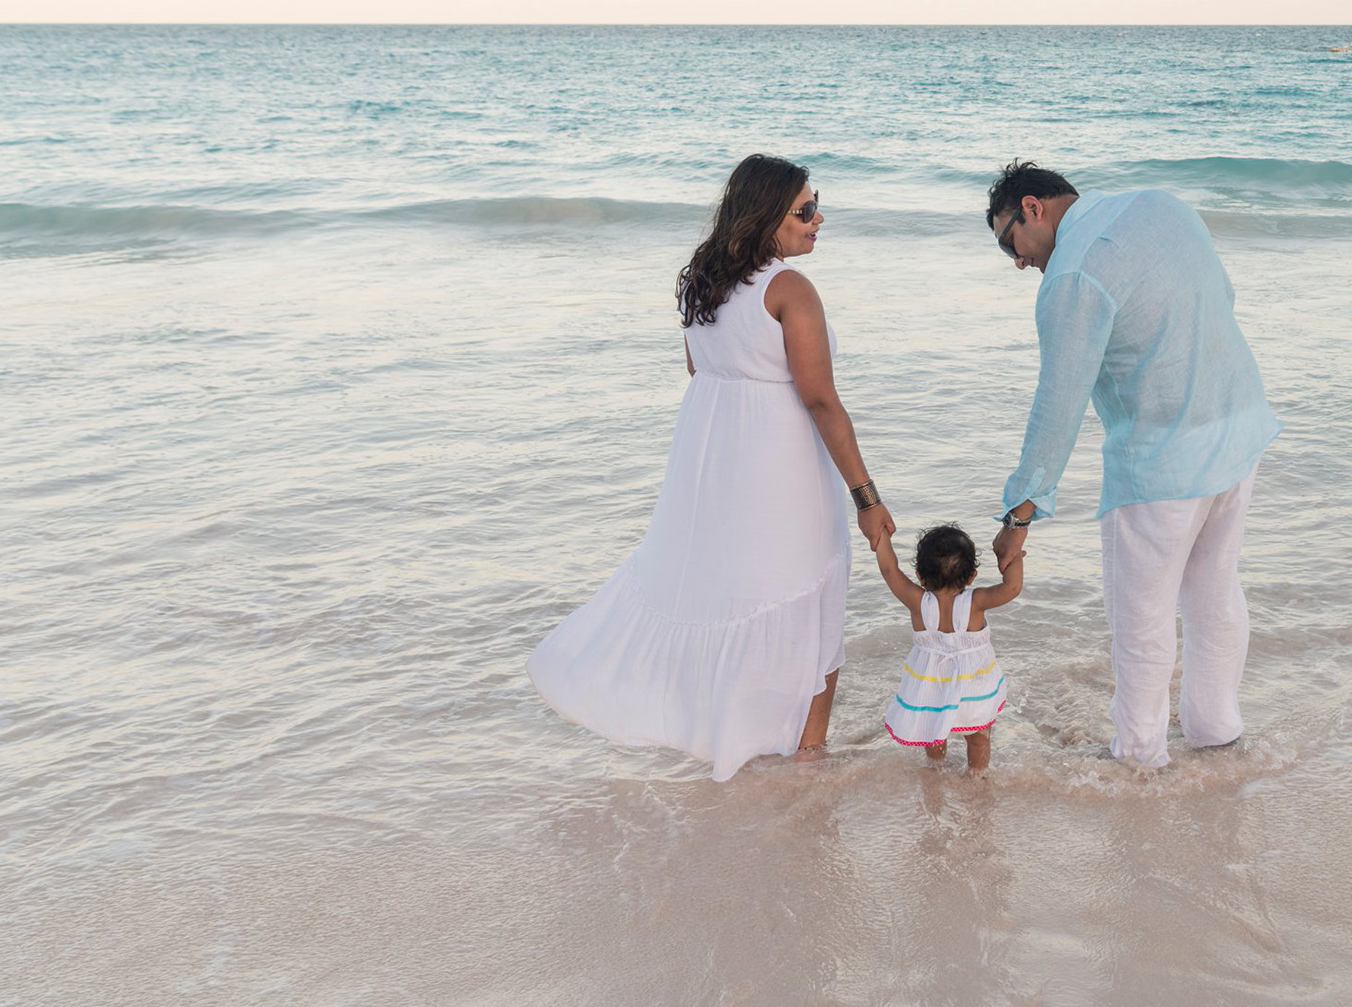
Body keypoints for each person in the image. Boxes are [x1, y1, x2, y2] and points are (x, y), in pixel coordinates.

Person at [527, 154, 895, 780]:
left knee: (742, 592)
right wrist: (866, 497)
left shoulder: (705, 280)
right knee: (811, 591)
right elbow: (820, 398)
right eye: (804, 210)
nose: (817, 219)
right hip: (783, 468)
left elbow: (700, 371)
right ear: (768, 216)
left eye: (815, 206)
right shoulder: (789, 289)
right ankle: (807, 753)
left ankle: (740, 738)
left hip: (718, 463)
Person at [985, 159, 1279, 769]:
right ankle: (1215, 732)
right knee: (1215, 593)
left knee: (1140, 620)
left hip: (1162, 468)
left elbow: (1058, 403)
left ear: (1033, 208)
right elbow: (1221, 297)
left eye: (1008, 240)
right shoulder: (1161, 204)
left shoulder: (1073, 275)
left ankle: (1139, 756)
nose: (1017, 261)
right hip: (1238, 433)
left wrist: (1020, 513)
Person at [871, 523, 1018, 773]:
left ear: (919, 574)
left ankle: (935, 770)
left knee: (933, 731)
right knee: (978, 734)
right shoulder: (977, 601)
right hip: (973, 686)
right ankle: (977, 776)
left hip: (932, 684)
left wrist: (881, 534)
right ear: (972, 575)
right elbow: (1012, 588)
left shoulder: (917, 602)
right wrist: (1014, 555)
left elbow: (888, 569)